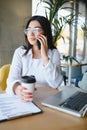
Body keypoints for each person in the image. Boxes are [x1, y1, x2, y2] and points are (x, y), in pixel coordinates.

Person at [6, 15, 63, 102]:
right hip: (25, 98)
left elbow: (56, 84)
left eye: (36, 30)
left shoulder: (53, 53)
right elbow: (12, 80)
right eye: (28, 30)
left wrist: (45, 57)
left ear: (45, 32)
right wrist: (17, 89)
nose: (31, 34)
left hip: (47, 100)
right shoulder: (20, 52)